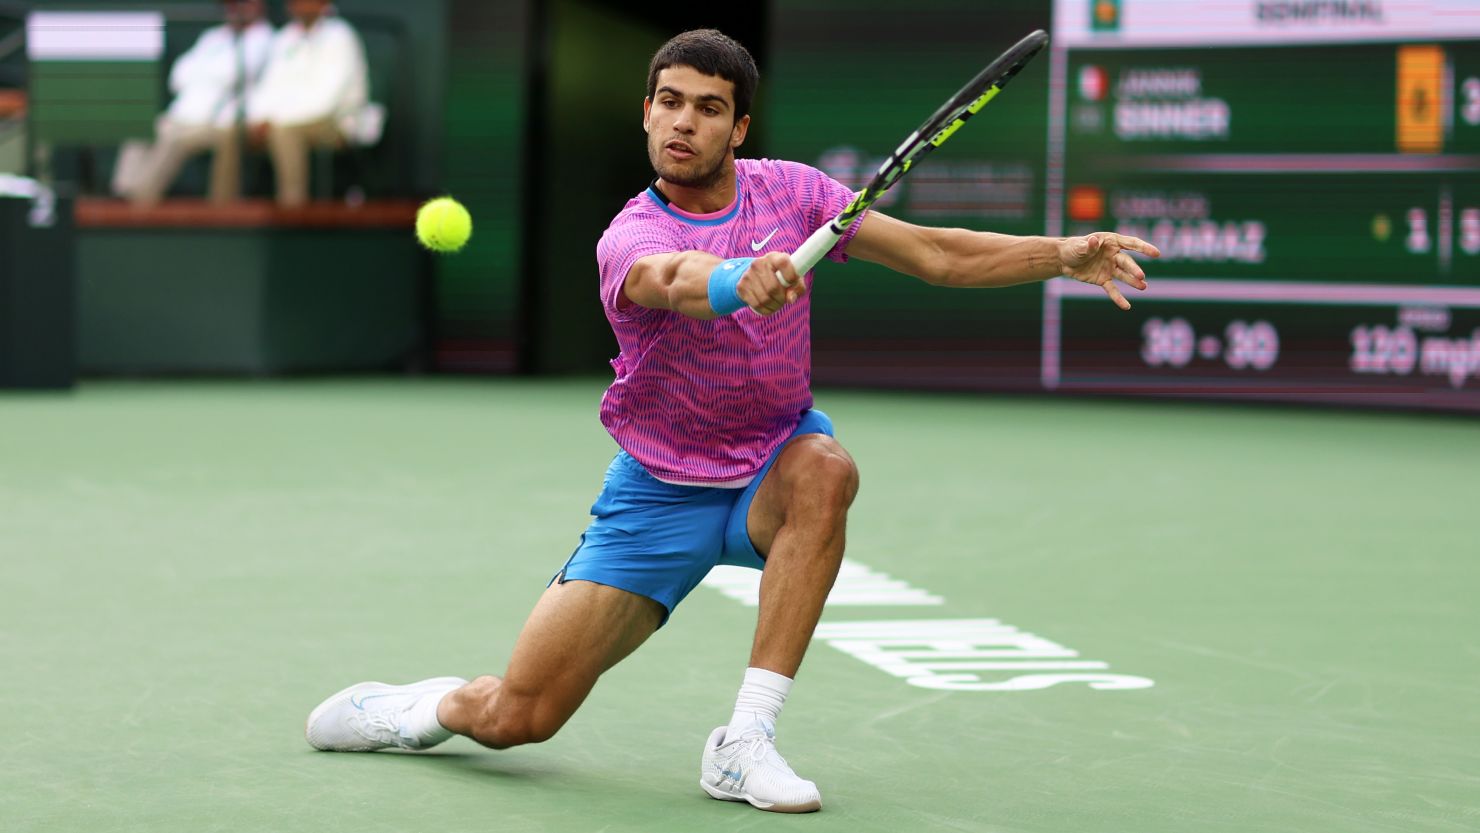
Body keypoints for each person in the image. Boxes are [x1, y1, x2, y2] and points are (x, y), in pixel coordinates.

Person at [303, 30, 1159, 814]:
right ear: (646, 112)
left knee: (828, 468)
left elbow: (934, 254)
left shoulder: (799, 194)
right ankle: (417, 708)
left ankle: (744, 741)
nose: (683, 123)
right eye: (668, 101)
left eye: (708, 108)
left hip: (770, 467)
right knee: (520, 714)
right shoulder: (628, 233)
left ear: (738, 127)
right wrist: (735, 280)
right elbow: (671, 277)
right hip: (657, 495)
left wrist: (1061, 255)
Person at [112, 0, 272, 205]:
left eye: (243, 4)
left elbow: (232, 75)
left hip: (217, 122)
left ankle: (141, 200)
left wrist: (203, 73)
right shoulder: (213, 37)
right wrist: (208, 74)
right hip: (181, 115)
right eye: (232, 5)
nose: (236, 10)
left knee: (172, 139)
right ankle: (123, 192)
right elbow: (179, 75)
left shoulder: (264, 38)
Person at [246, 0, 377, 207]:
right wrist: (260, 119)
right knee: (239, 132)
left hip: (337, 122)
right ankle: (225, 214)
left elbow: (327, 99)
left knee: (284, 132)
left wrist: (274, 120)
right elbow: (269, 86)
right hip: (288, 119)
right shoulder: (285, 38)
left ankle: (292, 209)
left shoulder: (340, 35)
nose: (299, 4)